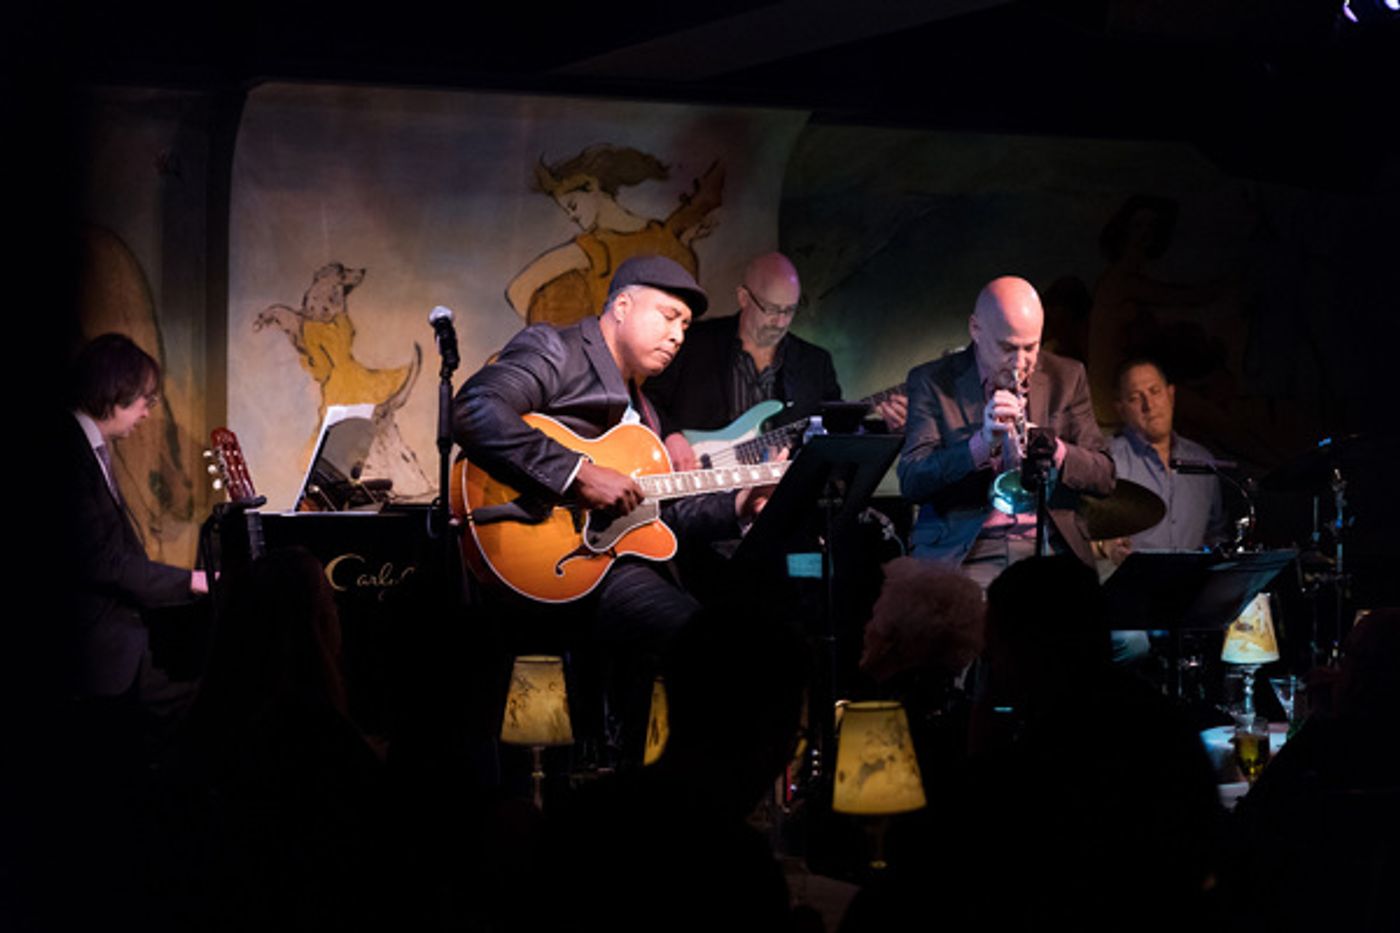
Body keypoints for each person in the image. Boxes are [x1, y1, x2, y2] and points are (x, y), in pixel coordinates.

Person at [453, 255, 766, 756]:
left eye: (685, 326)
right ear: (622, 306)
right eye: (668, 316)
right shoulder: (555, 349)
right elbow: (475, 409)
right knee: (707, 648)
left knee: (719, 639)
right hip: (542, 558)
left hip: (604, 568)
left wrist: (738, 506)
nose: (679, 335)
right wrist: (577, 475)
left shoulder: (645, 413)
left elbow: (658, 516)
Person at [897, 276, 1115, 589]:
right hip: (968, 548)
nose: (1021, 364)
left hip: (1049, 545)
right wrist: (981, 444)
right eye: (1008, 348)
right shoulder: (932, 381)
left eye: (1031, 347)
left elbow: (1105, 475)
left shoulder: (1068, 376)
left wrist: (1055, 449)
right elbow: (913, 479)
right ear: (975, 329)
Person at [646, 251, 907, 471]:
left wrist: (889, 428)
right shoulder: (694, 342)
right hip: (700, 493)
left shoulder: (815, 363)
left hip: (777, 502)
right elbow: (648, 400)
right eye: (771, 309)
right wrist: (671, 435)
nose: (781, 322)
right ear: (744, 298)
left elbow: (837, 437)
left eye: (789, 310)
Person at [64, 333, 208, 710]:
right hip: (97, 651)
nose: (147, 412)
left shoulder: (89, 446)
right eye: (146, 399)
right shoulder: (69, 450)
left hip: (116, 641)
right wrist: (192, 581)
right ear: (117, 391)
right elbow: (100, 562)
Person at [505, 145, 721, 327]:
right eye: (568, 211)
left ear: (592, 186)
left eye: (573, 205)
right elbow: (519, 292)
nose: (572, 216)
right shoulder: (593, 247)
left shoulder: (654, 239)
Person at [1098, 359, 1229, 564]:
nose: (1148, 405)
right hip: (1131, 587)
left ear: (1171, 394)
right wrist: (1106, 549)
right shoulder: (1106, 460)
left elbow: (1216, 533)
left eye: (1155, 391)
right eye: (1135, 398)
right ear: (1121, 409)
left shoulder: (1203, 460)